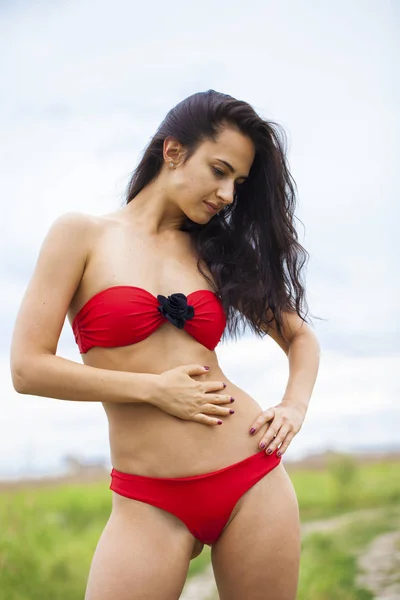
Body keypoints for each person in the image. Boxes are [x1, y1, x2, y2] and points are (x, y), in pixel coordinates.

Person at [10, 89, 320, 600]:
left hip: (250, 479)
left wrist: (294, 405)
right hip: (147, 499)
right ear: (173, 151)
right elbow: (27, 369)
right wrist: (154, 390)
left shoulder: (216, 251)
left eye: (238, 183)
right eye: (219, 171)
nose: (227, 194)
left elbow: (301, 338)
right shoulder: (81, 235)